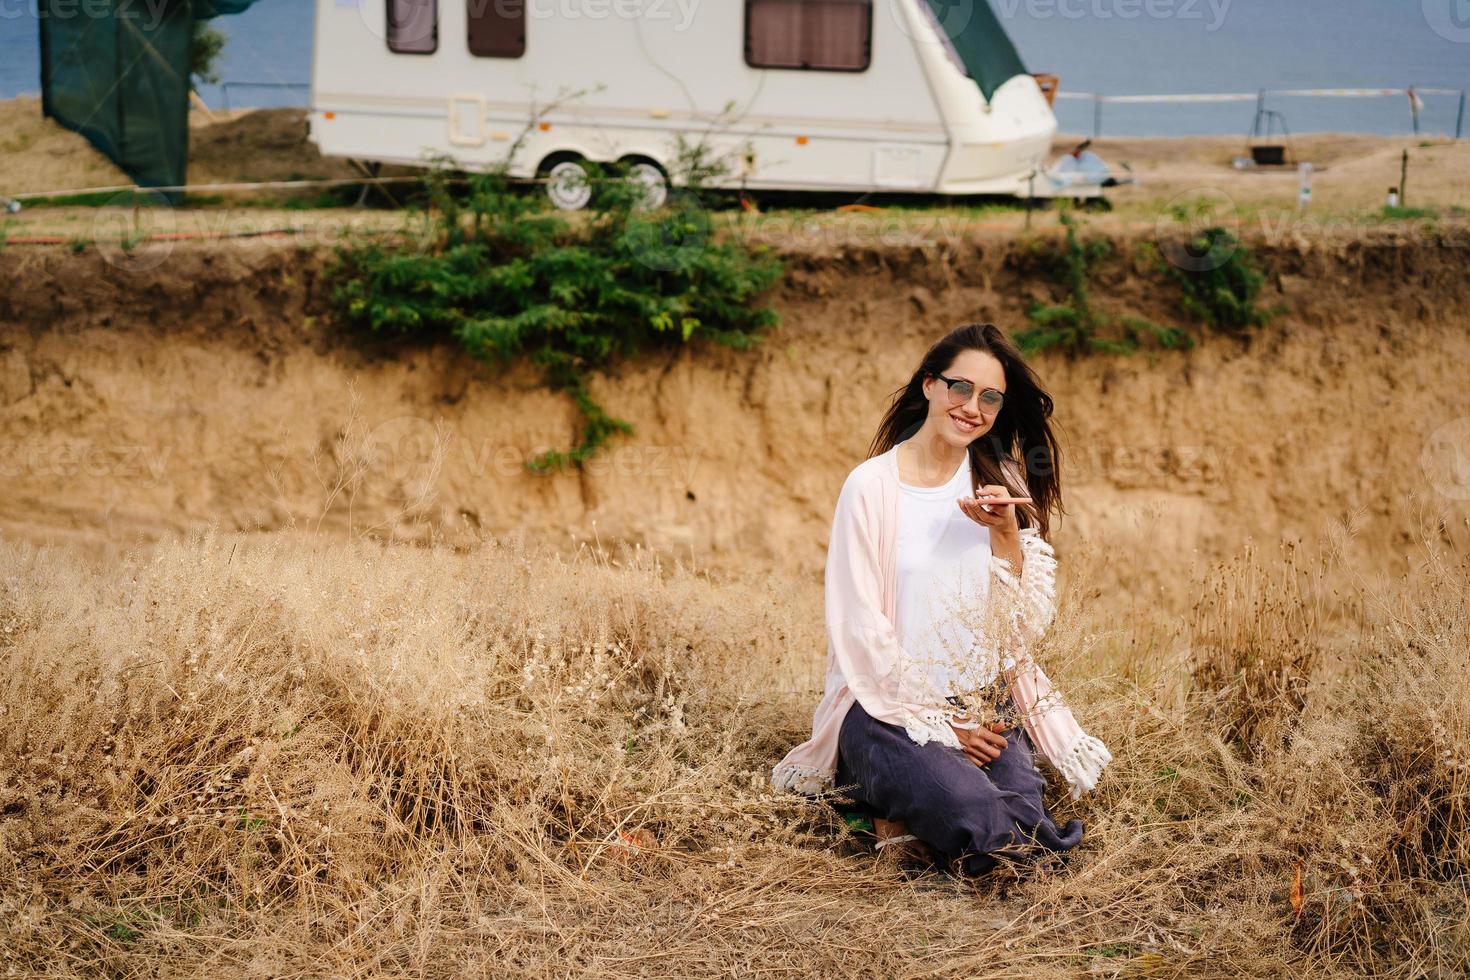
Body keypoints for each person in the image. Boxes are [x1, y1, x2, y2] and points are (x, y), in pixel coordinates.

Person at [771, 323, 1111, 875]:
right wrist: (944, 728)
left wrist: (1005, 533)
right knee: (976, 811)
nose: (973, 407)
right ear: (929, 386)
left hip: (980, 703)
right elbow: (861, 631)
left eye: (990, 398)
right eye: (960, 388)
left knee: (1025, 813)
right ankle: (898, 804)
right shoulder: (871, 486)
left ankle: (907, 821)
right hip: (885, 710)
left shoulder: (994, 479)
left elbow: (1018, 632)